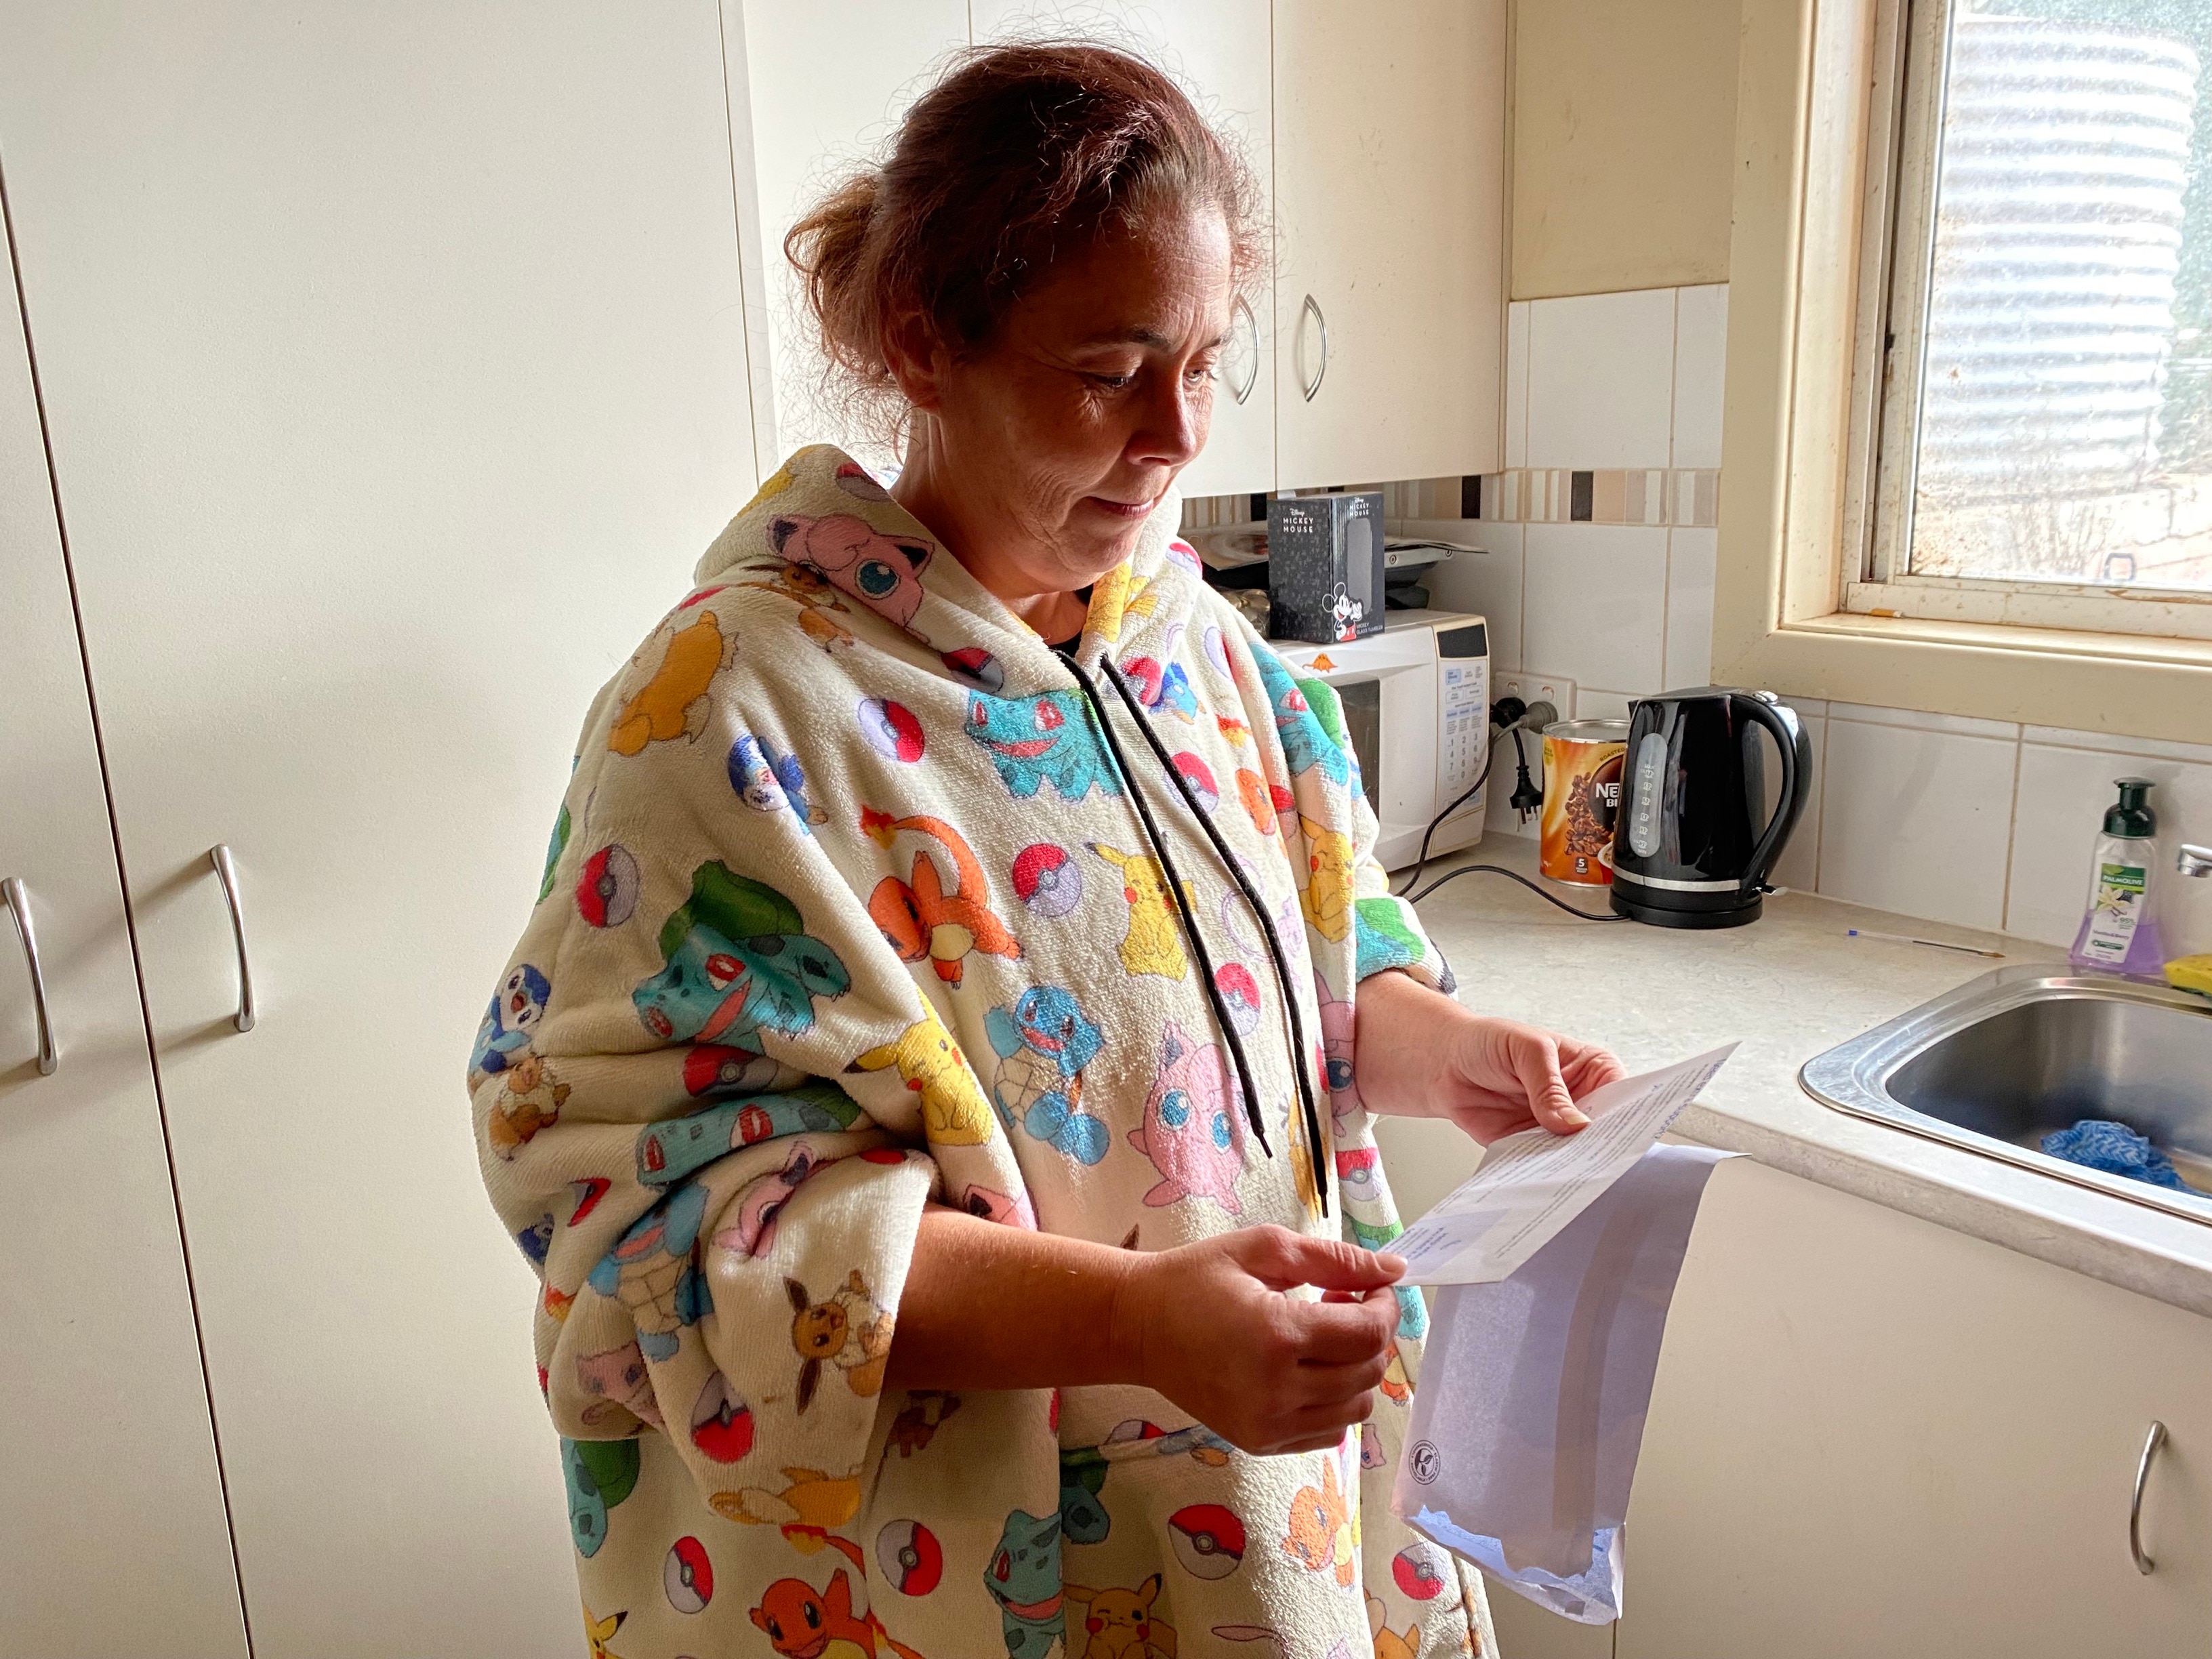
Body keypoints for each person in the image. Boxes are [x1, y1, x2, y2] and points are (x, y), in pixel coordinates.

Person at [470, 41, 1624, 1659]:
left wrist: (1448, 1052)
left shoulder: (1206, 657)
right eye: (1110, 367)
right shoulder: (727, 718)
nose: (1175, 437)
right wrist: (1139, 1321)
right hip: (960, 1583)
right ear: (922, 341)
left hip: (1263, 1519)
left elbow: (1309, 956)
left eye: (1206, 364)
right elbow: (655, 1225)